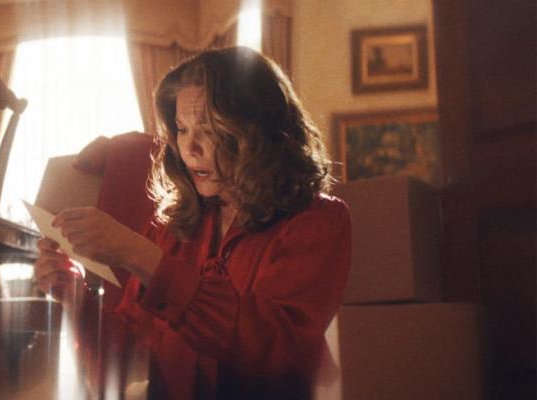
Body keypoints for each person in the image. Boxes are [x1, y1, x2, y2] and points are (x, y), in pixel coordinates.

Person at [34, 47, 351, 399]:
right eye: (182, 129)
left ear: (258, 132)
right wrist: (77, 300)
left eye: (210, 130)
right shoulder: (171, 226)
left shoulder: (317, 221)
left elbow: (272, 347)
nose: (190, 149)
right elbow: (128, 359)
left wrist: (141, 257)